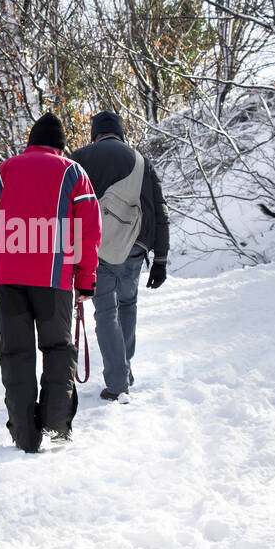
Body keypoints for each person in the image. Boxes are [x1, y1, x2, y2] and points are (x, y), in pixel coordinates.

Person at [0, 112, 101, 452]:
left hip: (9, 279)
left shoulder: (5, 170)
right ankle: (57, 425)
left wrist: (4, 231)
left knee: (16, 354)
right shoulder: (72, 172)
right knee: (57, 349)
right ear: (60, 145)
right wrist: (85, 281)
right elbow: (88, 233)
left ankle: (25, 435)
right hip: (53, 278)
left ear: (31, 142)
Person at [69, 110, 170, 403]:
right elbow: (159, 210)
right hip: (134, 246)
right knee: (128, 304)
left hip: (96, 248)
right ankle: (123, 372)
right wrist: (160, 259)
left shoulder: (79, 158)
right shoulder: (140, 160)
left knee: (105, 311)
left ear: (95, 133)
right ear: (120, 132)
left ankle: (117, 382)